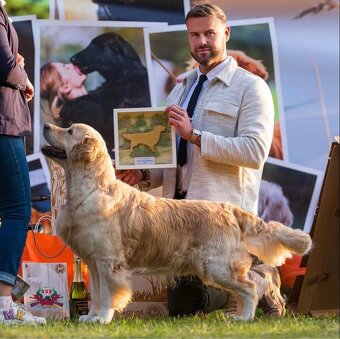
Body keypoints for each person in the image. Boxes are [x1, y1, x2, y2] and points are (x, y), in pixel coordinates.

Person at [116, 3, 285, 318]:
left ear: (226, 34)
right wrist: (139, 174)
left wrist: (195, 135)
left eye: (210, 33)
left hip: (221, 221)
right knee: (183, 308)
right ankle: (251, 277)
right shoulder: (180, 89)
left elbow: (254, 151)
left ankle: (259, 277)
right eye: (194, 35)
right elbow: (171, 160)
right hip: (177, 220)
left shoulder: (252, 88)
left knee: (191, 303)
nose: (201, 41)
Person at [0, 0, 46, 325]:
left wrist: (15, 63)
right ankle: (4, 305)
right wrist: (24, 78)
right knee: (17, 210)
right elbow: (3, 65)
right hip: (3, 124)